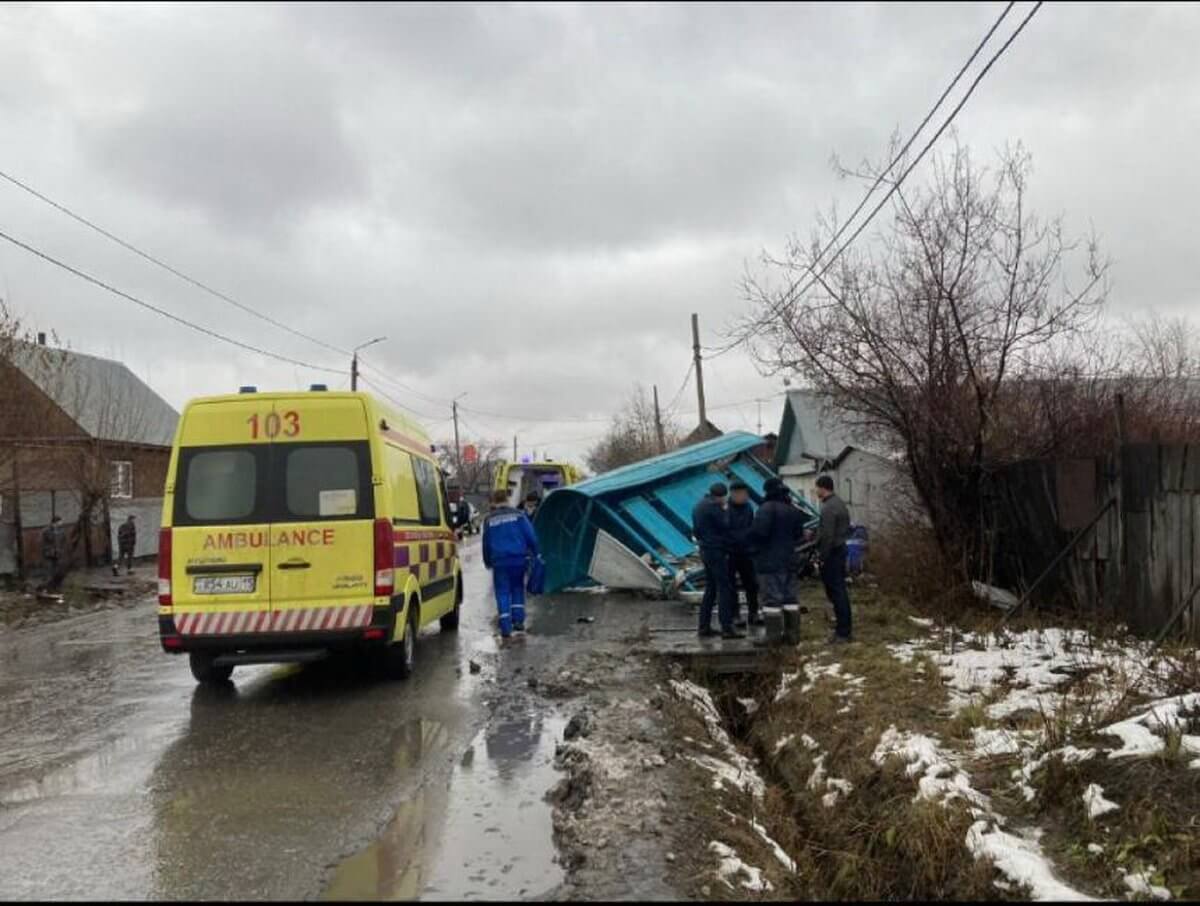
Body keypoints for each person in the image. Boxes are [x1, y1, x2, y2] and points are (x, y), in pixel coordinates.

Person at [482, 488, 540, 638]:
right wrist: (535, 553)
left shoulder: (489, 520)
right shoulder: (519, 515)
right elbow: (531, 536)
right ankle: (519, 622)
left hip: (499, 561)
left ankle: (506, 627)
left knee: (502, 592)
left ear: (494, 502)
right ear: (507, 500)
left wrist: (488, 561)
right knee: (517, 588)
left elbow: (486, 543)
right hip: (518, 559)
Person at [691, 482, 742, 640]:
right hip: (716, 551)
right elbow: (725, 525)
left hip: (705, 549)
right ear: (721, 496)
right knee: (724, 588)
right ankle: (727, 627)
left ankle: (704, 626)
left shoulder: (698, 506)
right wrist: (726, 511)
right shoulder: (715, 507)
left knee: (711, 588)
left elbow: (697, 531)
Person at [748, 477, 805, 616]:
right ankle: (792, 634)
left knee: (772, 601)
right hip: (790, 561)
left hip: (769, 562)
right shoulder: (793, 510)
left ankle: (774, 636)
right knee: (790, 599)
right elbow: (798, 535)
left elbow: (758, 533)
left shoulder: (765, 509)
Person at [811, 475, 852, 643]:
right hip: (840, 549)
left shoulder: (828, 508)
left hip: (832, 553)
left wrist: (822, 556)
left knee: (836, 592)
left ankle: (843, 631)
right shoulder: (840, 503)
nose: (816, 491)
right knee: (839, 590)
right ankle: (843, 628)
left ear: (822, 488)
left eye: (816, 488)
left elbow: (827, 535)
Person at [725, 481, 761, 629]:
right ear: (733, 494)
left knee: (752, 584)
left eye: (746, 494)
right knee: (731, 585)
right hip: (731, 552)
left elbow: (751, 526)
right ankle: (735, 615)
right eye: (741, 494)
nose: (744, 496)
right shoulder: (725, 510)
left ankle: (754, 613)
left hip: (747, 552)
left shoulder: (748, 508)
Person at [41, 516, 67, 592]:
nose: (61, 523)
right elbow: (45, 542)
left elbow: (63, 541)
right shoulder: (46, 531)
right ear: (55, 522)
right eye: (60, 522)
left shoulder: (61, 531)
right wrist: (49, 550)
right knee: (49, 571)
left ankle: (57, 586)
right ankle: (48, 587)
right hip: (49, 553)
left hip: (58, 553)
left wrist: (60, 550)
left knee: (58, 570)